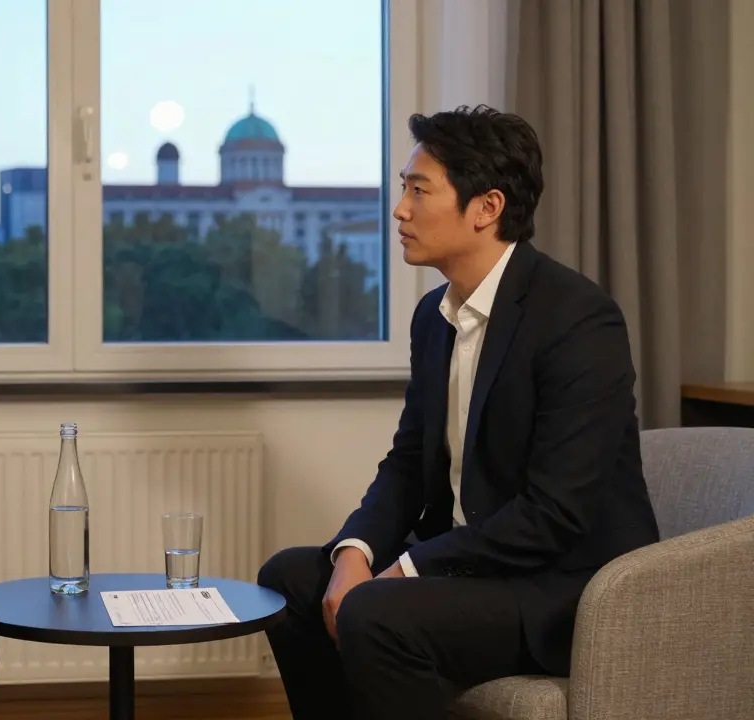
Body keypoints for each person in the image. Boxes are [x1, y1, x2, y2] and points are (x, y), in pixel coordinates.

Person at [257, 105, 660, 720]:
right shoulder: (433, 317)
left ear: (486, 208)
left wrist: (408, 569)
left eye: (420, 191)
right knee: (289, 580)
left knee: (372, 610)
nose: (401, 210)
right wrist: (355, 553)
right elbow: (409, 459)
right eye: (403, 190)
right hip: (476, 568)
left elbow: (554, 514)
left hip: (560, 586)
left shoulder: (577, 318)